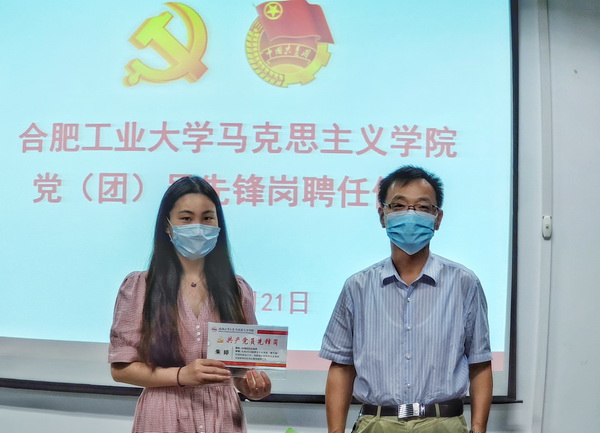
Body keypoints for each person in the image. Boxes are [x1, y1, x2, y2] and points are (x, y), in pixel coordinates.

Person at [320, 165, 492, 433]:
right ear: (383, 215)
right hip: (377, 423)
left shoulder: (464, 283)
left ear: (437, 218)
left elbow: (479, 364)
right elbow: (341, 367)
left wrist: (478, 429)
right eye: (399, 206)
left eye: (422, 207)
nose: (411, 215)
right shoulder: (357, 287)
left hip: (443, 424)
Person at [109, 176, 271, 433]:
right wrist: (181, 375)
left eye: (207, 218)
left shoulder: (237, 290)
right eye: (186, 218)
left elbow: (241, 369)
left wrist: (252, 387)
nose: (198, 228)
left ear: (218, 224)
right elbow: (121, 370)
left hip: (222, 418)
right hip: (163, 416)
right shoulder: (141, 286)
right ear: (167, 226)